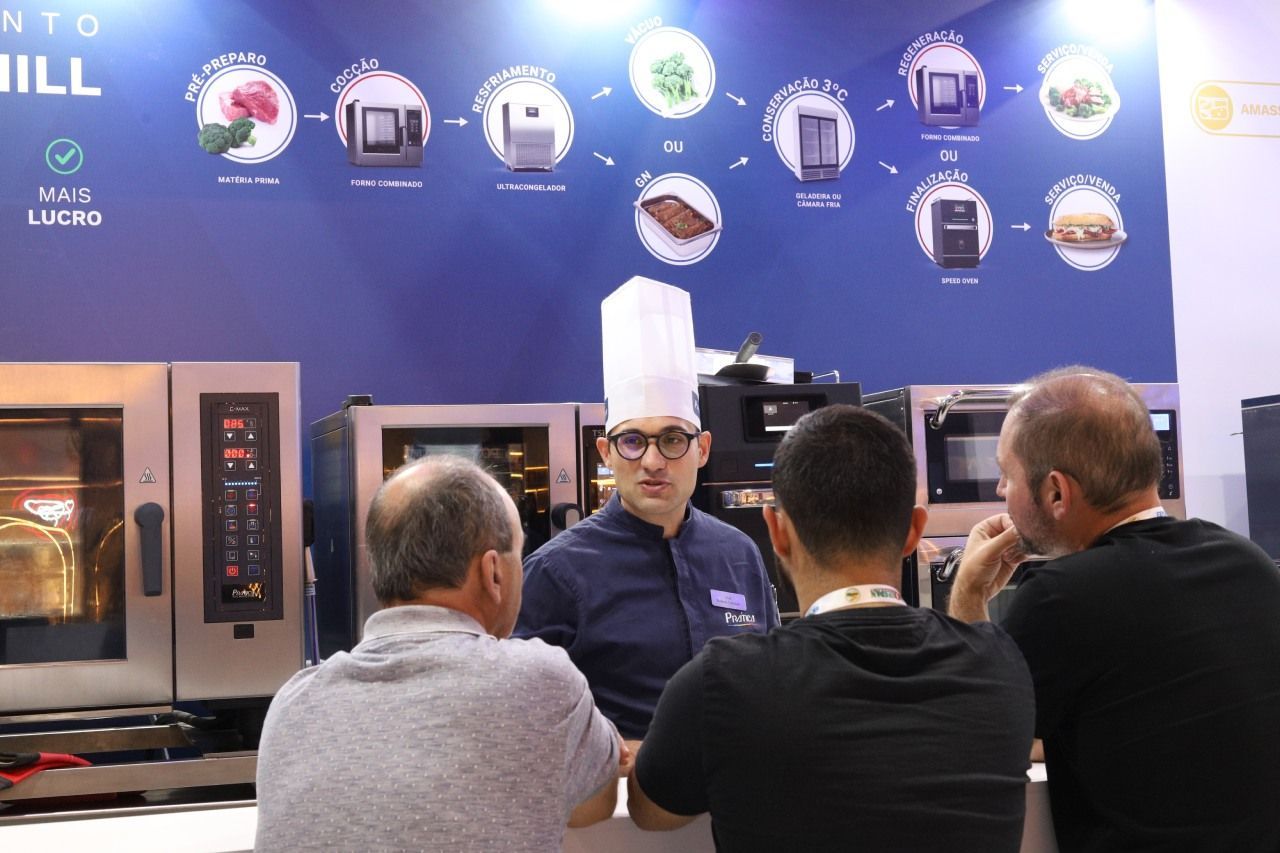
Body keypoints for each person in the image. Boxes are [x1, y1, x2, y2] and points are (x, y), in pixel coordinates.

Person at [629, 404, 1036, 852]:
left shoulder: (720, 684)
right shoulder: (1000, 664)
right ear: (913, 531)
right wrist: (970, 596)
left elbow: (649, 813)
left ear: (777, 532)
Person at [948, 366, 1280, 852]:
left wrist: (969, 594)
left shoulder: (1061, 597)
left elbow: (977, 740)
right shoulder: (1247, 562)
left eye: (1006, 474)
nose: (1001, 491)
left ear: (1056, 492)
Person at [255, 456, 623, 852]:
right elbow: (596, 804)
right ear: (493, 572)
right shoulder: (541, 680)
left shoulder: (291, 703)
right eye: (520, 552)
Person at [515, 277, 779, 740]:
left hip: (739, 800)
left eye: (674, 439)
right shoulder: (555, 573)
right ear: (606, 451)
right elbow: (523, 718)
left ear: (703, 449)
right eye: (633, 441)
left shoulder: (740, 555)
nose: (653, 462)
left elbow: (771, 679)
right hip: (616, 807)